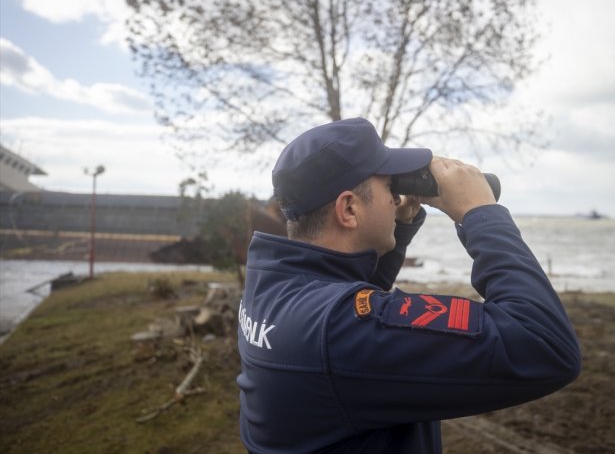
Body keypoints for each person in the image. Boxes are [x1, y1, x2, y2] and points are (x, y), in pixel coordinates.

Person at [237, 117, 581, 453]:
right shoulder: (338, 331)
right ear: (348, 209)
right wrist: (480, 213)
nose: (395, 197)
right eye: (389, 187)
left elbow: (345, 297)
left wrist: (397, 229)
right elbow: (543, 344)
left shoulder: (271, 285)